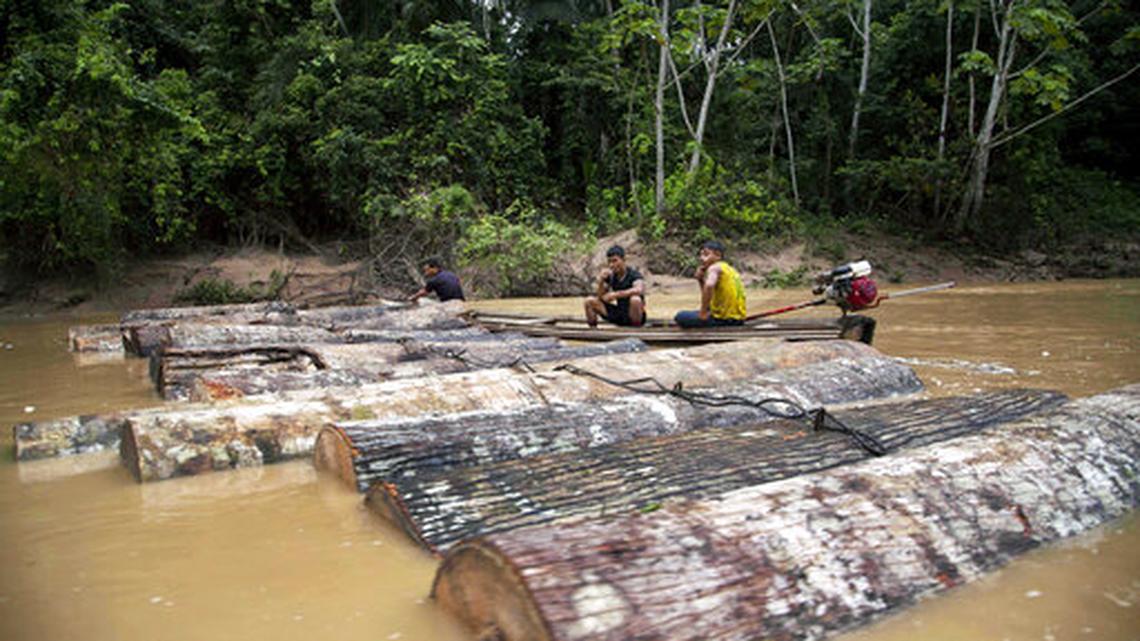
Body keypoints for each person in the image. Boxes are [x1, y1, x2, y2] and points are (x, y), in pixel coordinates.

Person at [674, 240, 747, 328]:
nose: (702, 258)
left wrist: (703, 313)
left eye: (706, 254)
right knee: (696, 313)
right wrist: (700, 280)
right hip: (737, 319)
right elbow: (710, 299)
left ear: (717, 255)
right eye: (701, 255)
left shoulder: (714, 268)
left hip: (723, 320)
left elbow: (709, 286)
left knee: (680, 316)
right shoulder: (729, 269)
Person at [583, 245, 647, 327]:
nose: (612, 265)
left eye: (615, 261)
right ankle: (593, 331)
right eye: (609, 262)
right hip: (619, 314)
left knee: (635, 299)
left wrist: (616, 294)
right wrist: (601, 281)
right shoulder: (611, 276)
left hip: (634, 316)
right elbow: (600, 297)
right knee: (589, 301)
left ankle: (635, 330)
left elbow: (639, 289)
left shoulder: (633, 274)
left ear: (623, 260)